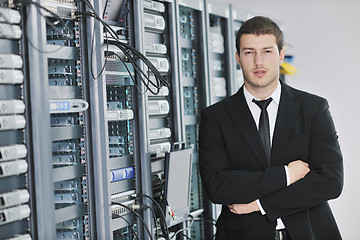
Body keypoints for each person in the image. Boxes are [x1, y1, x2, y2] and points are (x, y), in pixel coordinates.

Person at [199, 16, 343, 240]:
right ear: (238, 58)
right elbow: (218, 187)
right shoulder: (216, 117)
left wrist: (259, 204)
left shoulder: (313, 108)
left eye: (267, 51)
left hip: (309, 233)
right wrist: (288, 174)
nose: (258, 62)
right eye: (249, 52)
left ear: (281, 55)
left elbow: (330, 182)